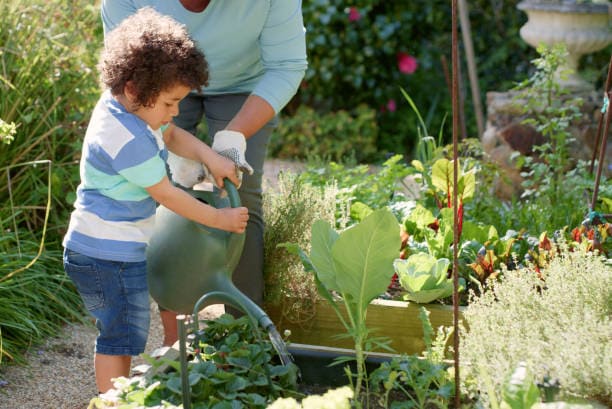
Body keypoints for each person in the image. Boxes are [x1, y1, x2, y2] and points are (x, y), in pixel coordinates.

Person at [62, 7, 249, 393]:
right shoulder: (124, 138)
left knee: (125, 329)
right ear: (133, 88)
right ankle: (111, 400)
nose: (175, 112)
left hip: (111, 248)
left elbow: (172, 134)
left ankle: (117, 395)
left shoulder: (131, 109)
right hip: (104, 253)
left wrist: (211, 157)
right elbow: (167, 194)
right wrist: (221, 220)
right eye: (169, 103)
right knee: (121, 333)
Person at [101, 0, 308, 346]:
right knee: (161, 192)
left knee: (241, 195)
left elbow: (287, 65)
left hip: (244, 86)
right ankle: (175, 343)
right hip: (158, 83)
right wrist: (165, 150)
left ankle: (245, 344)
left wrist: (234, 135)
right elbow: (126, 73)